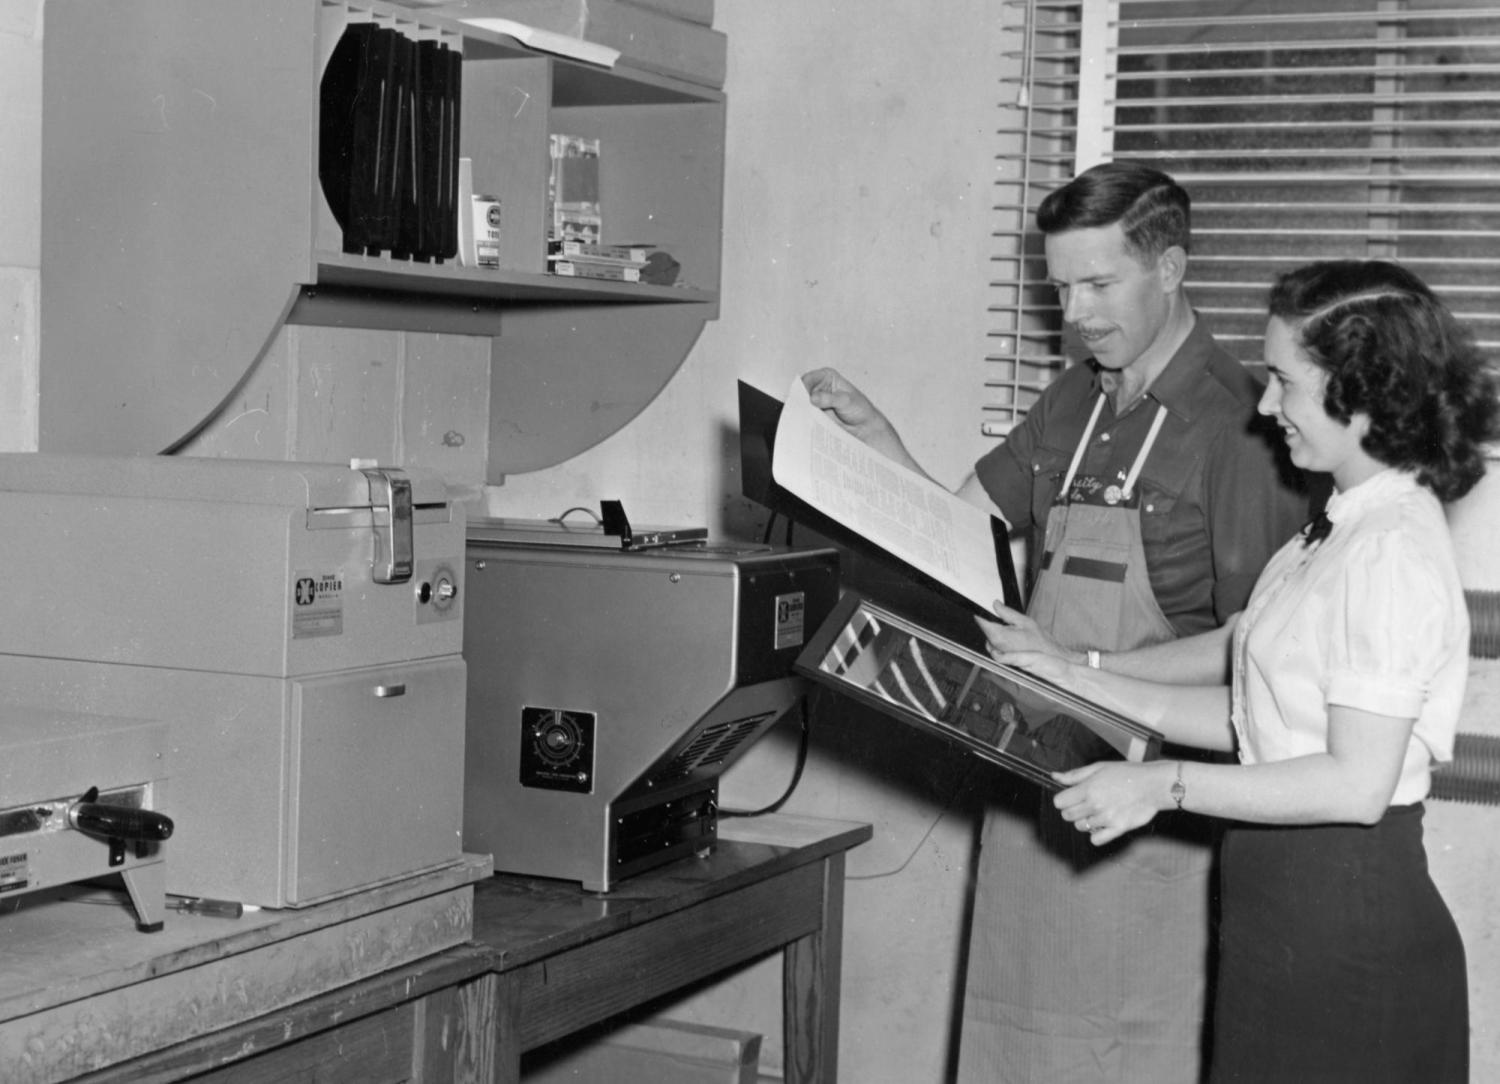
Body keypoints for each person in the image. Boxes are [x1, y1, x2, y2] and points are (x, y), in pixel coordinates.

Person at [804, 161, 1317, 1083]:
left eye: (1097, 283)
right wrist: (877, 445)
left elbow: (1256, 656)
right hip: (1037, 781)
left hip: (1148, 818)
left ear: (1170, 268)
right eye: (1059, 287)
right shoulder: (1072, 400)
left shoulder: (1240, 423)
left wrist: (1079, 664)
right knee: (1015, 1049)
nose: (1074, 312)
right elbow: (960, 538)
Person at [997, 258, 1491, 1083]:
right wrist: (1074, 673)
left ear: (1359, 393)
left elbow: (1353, 783)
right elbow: (1250, 715)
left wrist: (1162, 786)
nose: (1265, 407)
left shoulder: (1394, 549)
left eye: (1285, 384)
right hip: (1283, 916)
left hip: (1347, 927)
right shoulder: (1336, 527)